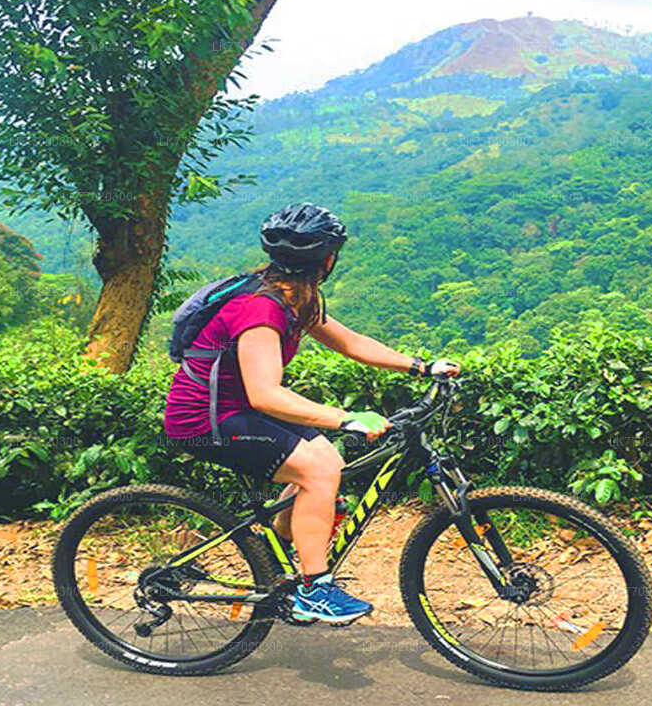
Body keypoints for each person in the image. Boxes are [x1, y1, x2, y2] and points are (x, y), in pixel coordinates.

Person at [164, 203, 459, 625]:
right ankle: (313, 590)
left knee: (327, 460)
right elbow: (265, 394)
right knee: (317, 471)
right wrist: (345, 417)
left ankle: (274, 558)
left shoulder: (292, 296)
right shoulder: (260, 308)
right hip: (204, 420)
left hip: (235, 408)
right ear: (327, 259)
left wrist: (420, 366)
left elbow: (350, 342)